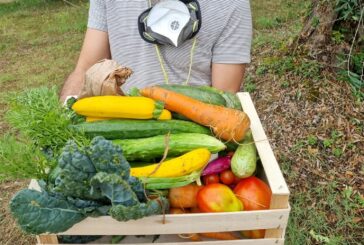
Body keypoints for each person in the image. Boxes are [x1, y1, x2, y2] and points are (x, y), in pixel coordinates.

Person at [60, 0, 252, 102]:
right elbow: (86, 70)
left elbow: (222, 97)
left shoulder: (232, 3)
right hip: (122, 133)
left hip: (194, 148)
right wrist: (67, 115)